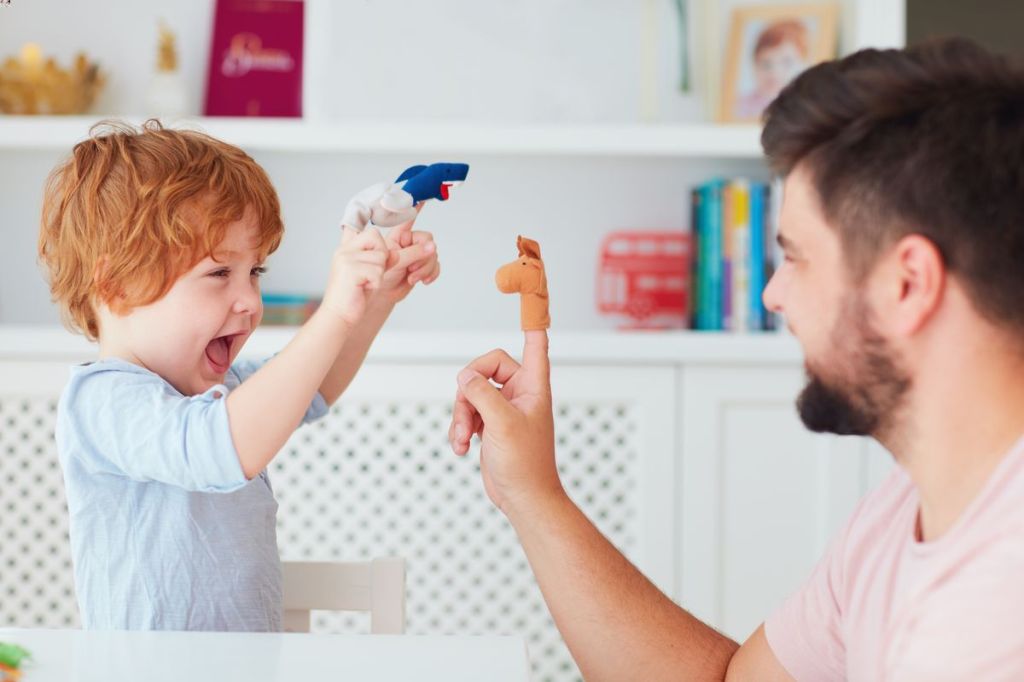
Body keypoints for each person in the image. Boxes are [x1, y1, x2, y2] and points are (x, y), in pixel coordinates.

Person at [450, 37, 1024, 680]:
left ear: (907, 284)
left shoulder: (994, 609)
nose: (773, 294)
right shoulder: (905, 510)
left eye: (796, 258)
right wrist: (534, 493)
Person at [38, 120, 440, 631]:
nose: (251, 301)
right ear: (117, 284)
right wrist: (335, 312)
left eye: (255, 272)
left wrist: (374, 299)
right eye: (219, 273)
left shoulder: (217, 392)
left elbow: (311, 385)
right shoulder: (103, 401)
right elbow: (217, 447)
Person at [734, 19, 810, 120]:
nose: (775, 72)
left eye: (787, 62)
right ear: (754, 65)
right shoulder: (742, 105)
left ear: (805, 63)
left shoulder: (805, 104)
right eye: (766, 64)